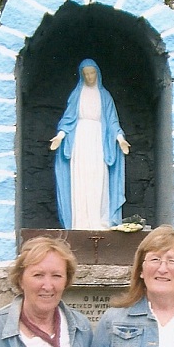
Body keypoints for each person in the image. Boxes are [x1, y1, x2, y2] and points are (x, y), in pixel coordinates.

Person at [50, 58, 130, 230]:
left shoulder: (105, 96)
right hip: (80, 140)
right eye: (86, 74)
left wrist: (120, 138)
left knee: (98, 177)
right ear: (82, 75)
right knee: (81, 178)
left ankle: (100, 220)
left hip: (98, 141)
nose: (89, 77)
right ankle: (80, 222)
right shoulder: (76, 94)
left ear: (97, 74)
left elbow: (112, 120)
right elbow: (68, 119)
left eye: (92, 73)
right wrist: (60, 135)